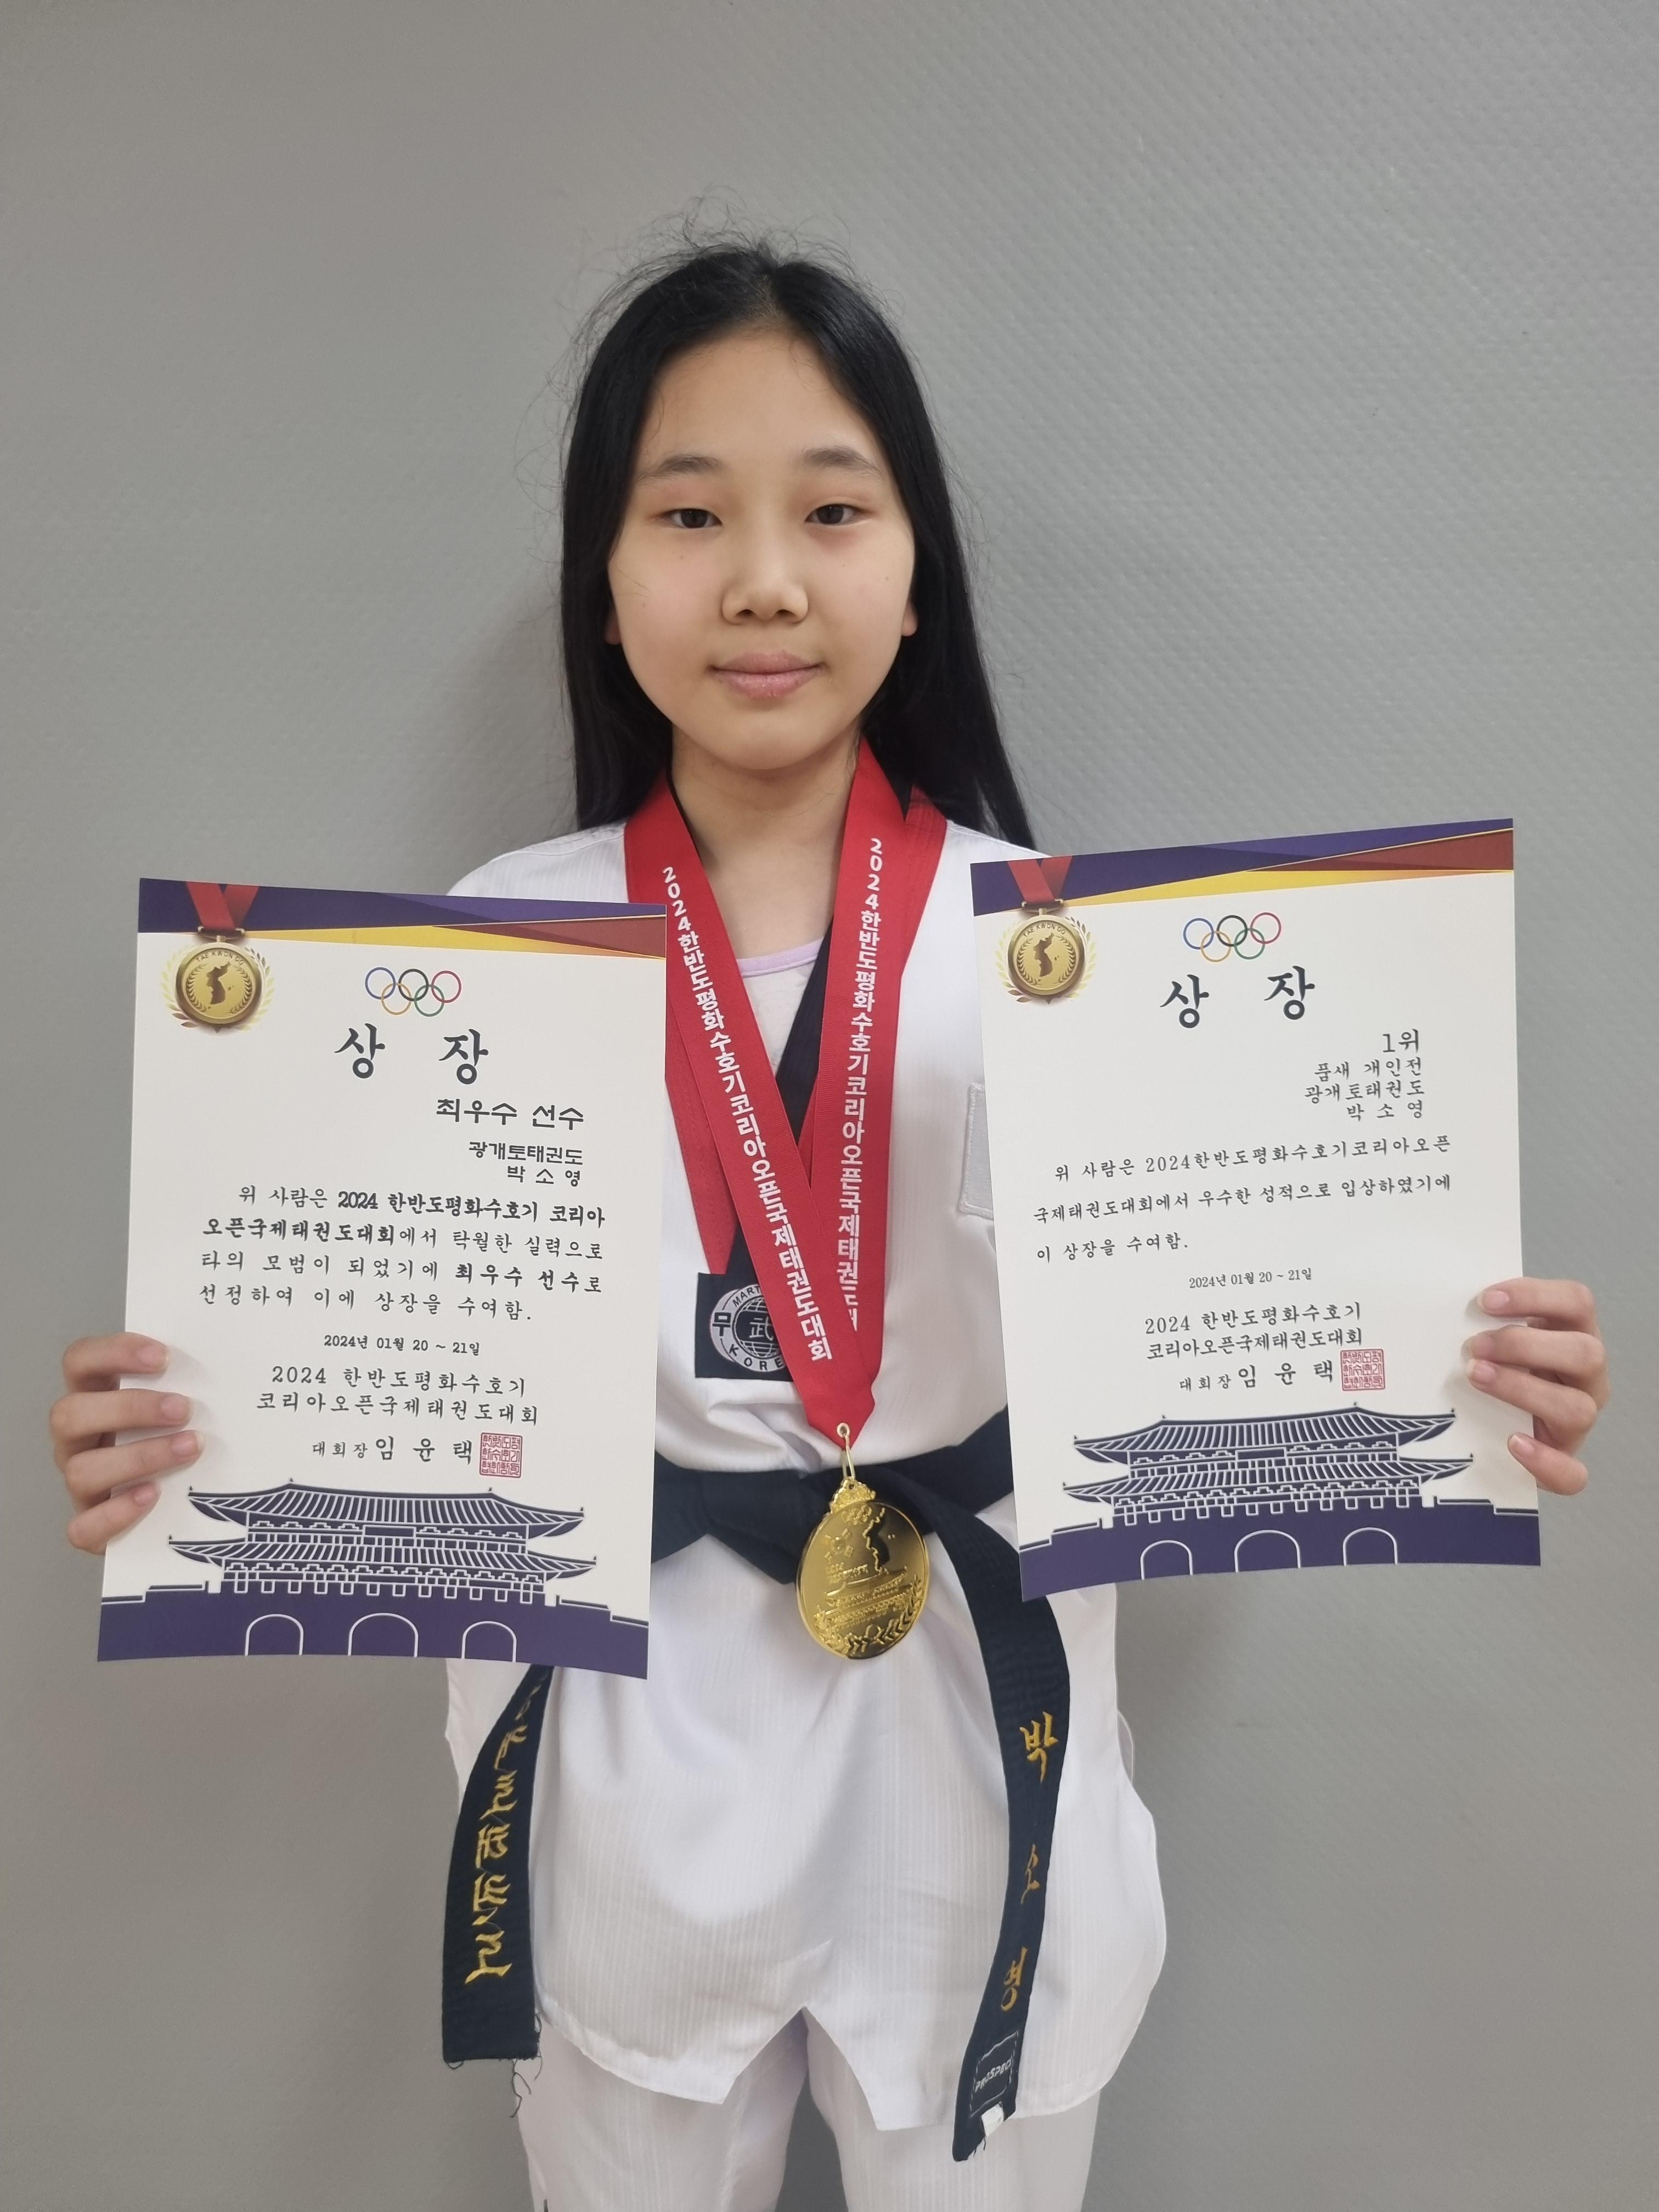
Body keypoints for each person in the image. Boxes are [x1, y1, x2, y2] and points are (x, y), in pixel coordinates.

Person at [48, 235, 1612, 2212]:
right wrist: (194, 1432)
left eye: (834, 511)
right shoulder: (495, 949)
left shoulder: (1067, 955)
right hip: (630, 1763)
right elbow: (366, 1351)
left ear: (916, 565)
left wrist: (1465, 1365)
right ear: (604, 577)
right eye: (690, 513)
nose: (766, 580)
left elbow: (1260, 1314)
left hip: (969, 1746)